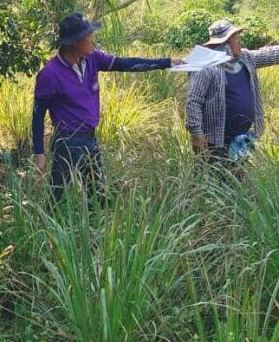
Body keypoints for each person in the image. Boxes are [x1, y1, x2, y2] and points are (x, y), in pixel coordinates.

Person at [31, 12, 184, 201]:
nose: (92, 39)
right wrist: (39, 152)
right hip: (67, 142)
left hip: (90, 138)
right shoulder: (50, 74)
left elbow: (124, 63)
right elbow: (38, 114)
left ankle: (93, 228)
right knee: (58, 196)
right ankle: (49, 227)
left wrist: (166, 62)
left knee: (97, 196)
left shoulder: (92, 59)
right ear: (75, 41)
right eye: (88, 35)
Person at [185, 19, 279, 161]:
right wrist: (196, 133)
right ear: (224, 44)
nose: (239, 40)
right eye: (235, 37)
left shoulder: (245, 58)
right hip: (214, 142)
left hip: (242, 139)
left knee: (238, 179)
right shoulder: (206, 67)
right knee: (213, 179)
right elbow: (193, 101)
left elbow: (271, 54)